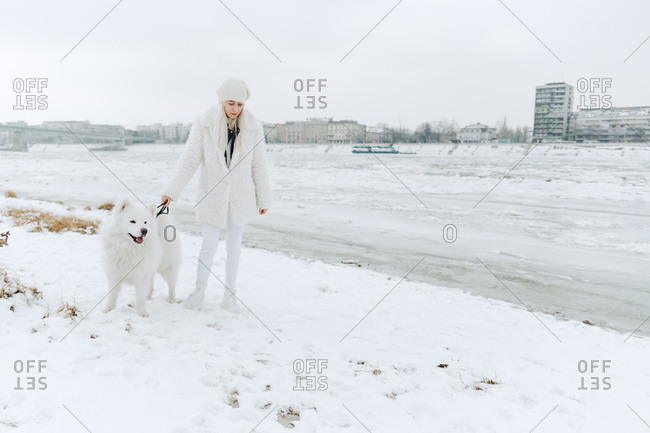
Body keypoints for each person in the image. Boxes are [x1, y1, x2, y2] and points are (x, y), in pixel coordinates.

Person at [160, 77, 272, 312]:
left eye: (240, 104)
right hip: (212, 195)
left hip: (241, 197)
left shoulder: (253, 127)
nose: (235, 109)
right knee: (209, 244)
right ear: (222, 101)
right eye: (231, 103)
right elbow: (189, 160)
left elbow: (259, 165)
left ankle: (230, 294)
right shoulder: (204, 124)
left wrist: (263, 198)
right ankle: (199, 290)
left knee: (234, 247)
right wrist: (172, 191)